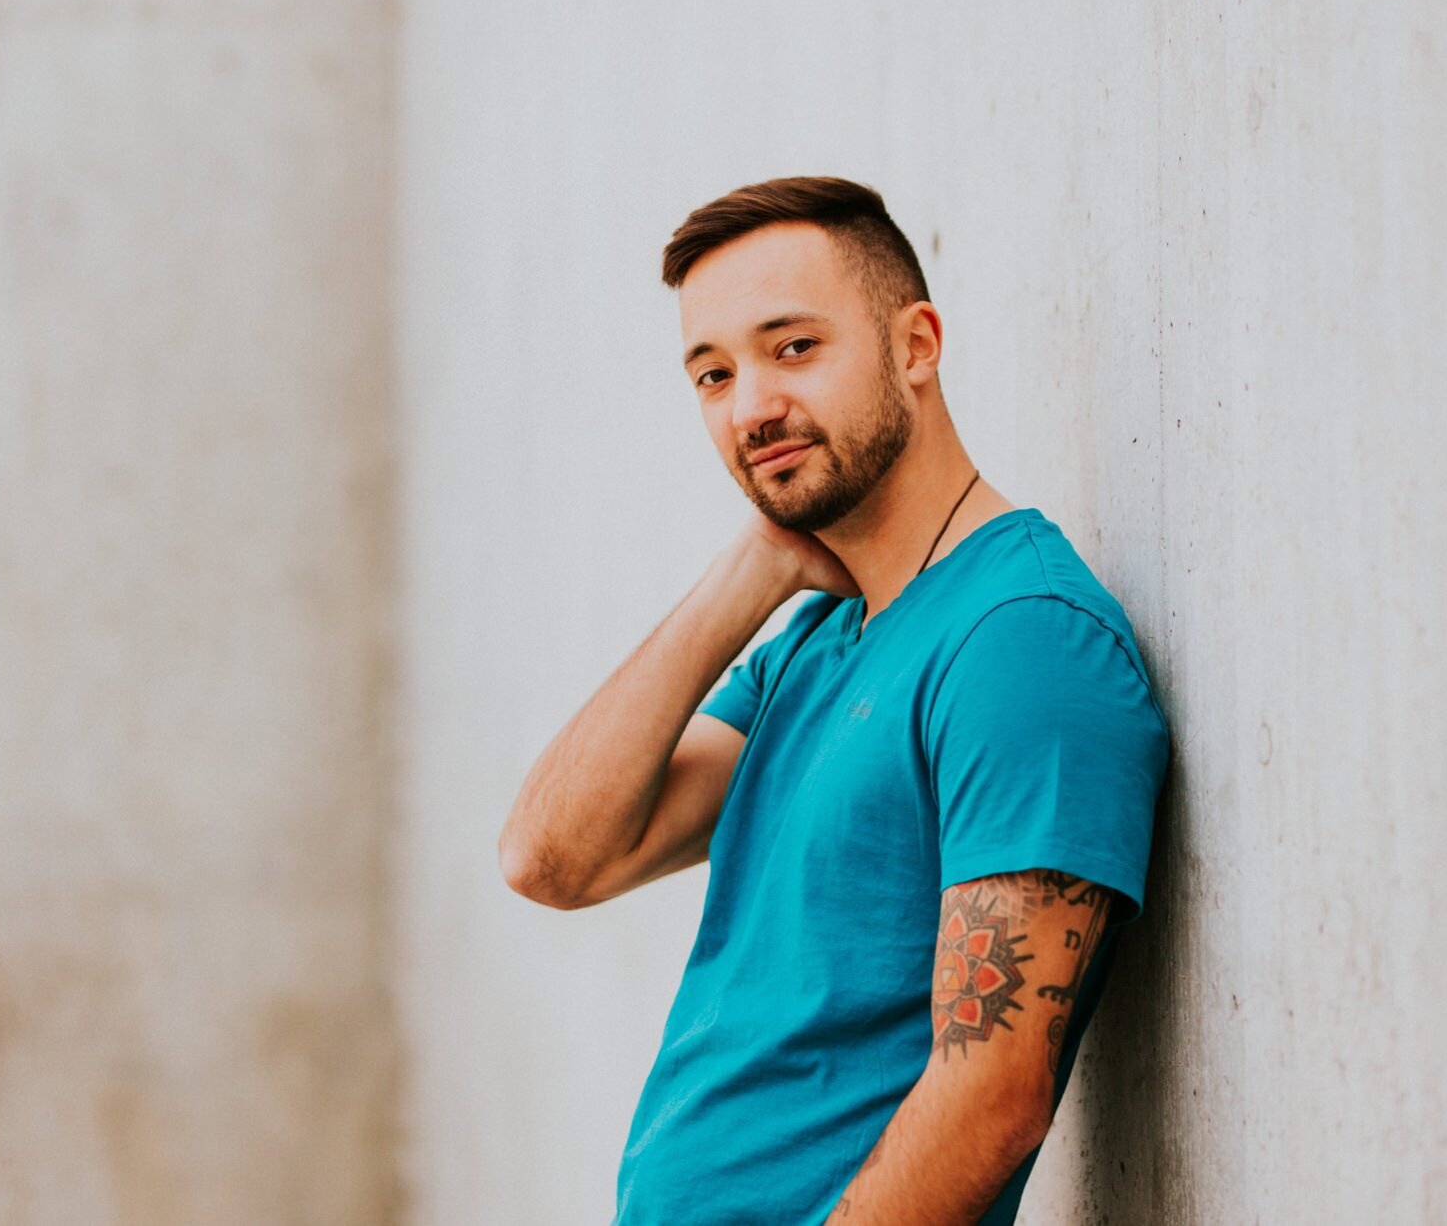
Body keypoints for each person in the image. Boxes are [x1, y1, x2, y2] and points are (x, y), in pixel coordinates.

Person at [498, 175, 1172, 1225]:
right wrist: (749, 574)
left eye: (792, 347)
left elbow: (993, 1097)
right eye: (711, 374)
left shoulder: (1021, 639)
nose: (751, 406)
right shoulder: (813, 637)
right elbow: (553, 858)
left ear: (915, 345)